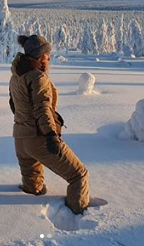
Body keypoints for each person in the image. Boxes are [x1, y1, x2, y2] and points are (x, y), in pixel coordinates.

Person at [9, 34, 90, 214]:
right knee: (78, 175)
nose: (49, 57)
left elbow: (13, 105)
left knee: (33, 187)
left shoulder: (16, 75)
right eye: (47, 54)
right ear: (39, 56)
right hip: (39, 138)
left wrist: (25, 125)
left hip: (20, 139)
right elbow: (42, 108)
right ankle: (78, 214)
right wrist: (51, 136)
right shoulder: (38, 77)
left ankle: (26, 219)